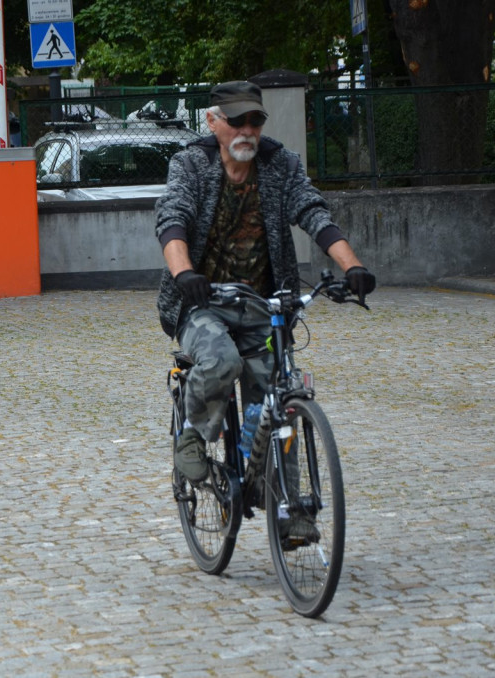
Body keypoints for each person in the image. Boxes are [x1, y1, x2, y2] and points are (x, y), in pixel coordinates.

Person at [155, 81, 376, 535]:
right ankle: (193, 436)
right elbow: (172, 218)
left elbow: (313, 212)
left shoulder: (280, 164)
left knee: (280, 398)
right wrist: (184, 275)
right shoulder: (191, 164)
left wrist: (352, 266)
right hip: (202, 302)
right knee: (220, 361)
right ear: (213, 122)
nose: (248, 130)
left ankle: (289, 509)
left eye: (255, 120)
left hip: (263, 304)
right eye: (237, 120)